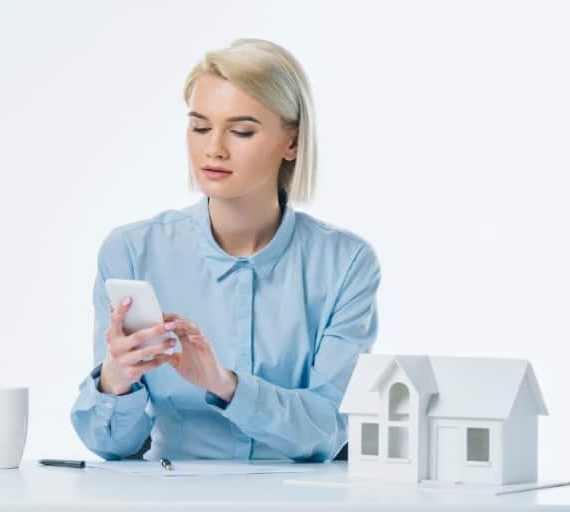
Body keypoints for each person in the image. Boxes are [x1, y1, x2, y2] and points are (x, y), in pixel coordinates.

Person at [70, 38, 381, 462]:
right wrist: (116, 377)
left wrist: (226, 385)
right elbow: (111, 446)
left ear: (292, 143)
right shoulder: (131, 252)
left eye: (241, 131)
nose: (213, 148)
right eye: (200, 127)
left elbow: (327, 431)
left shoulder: (347, 265)